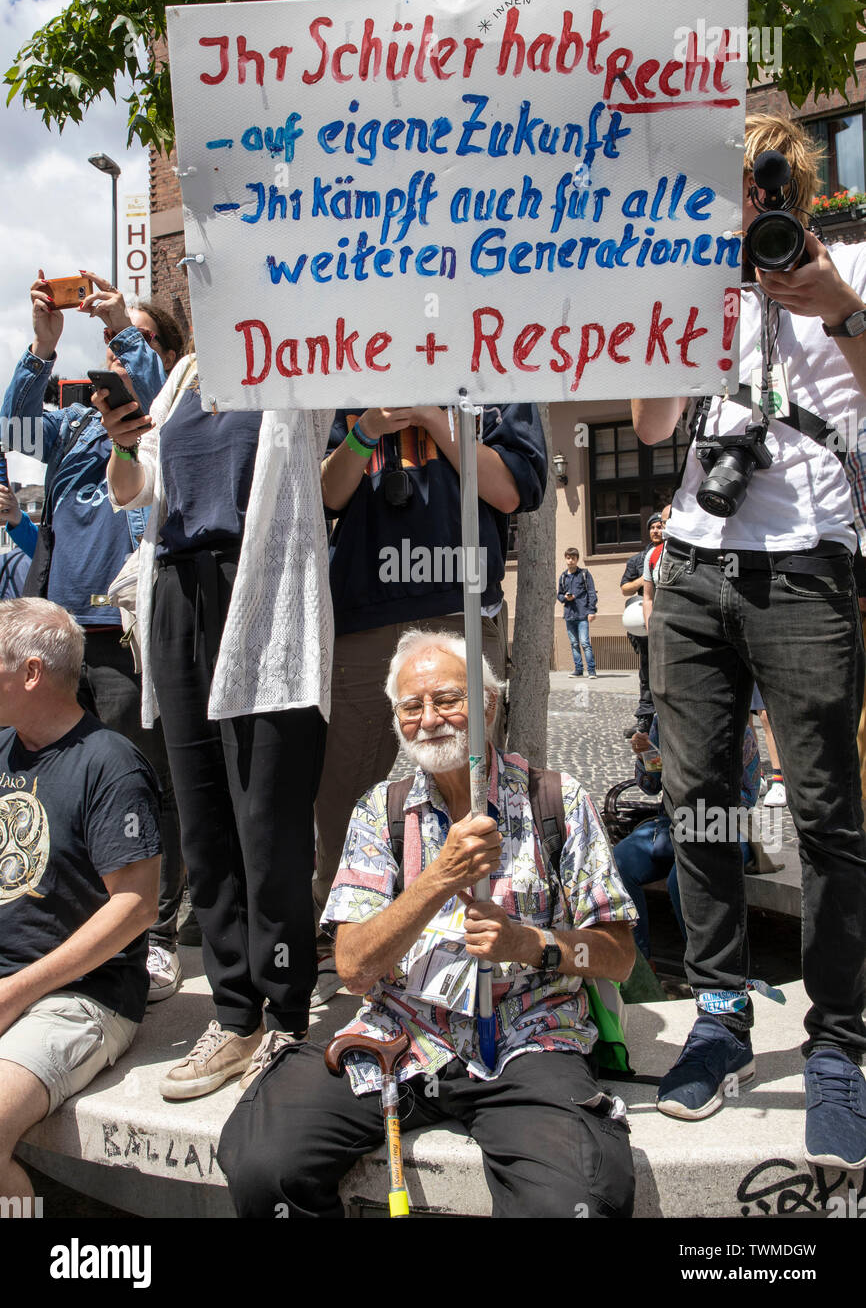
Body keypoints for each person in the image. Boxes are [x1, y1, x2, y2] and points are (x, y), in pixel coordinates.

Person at [217, 628, 637, 1219]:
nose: (430, 719)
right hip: (401, 1038)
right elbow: (354, 968)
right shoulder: (380, 812)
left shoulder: (555, 800)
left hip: (527, 1043)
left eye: (448, 699)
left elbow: (617, 957)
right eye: (411, 707)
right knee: (265, 1163)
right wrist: (439, 876)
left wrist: (532, 943)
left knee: (574, 1201)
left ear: (488, 704)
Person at [631, 112, 866, 1165]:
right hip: (689, 564)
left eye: (764, 192)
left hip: (807, 565)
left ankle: (838, 1041)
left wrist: (839, 312)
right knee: (698, 803)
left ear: (796, 199)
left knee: (824, 811)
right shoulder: (697, 287)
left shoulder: (843, 270)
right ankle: (717, 1014)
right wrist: (673, 300)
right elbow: (643, 429)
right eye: (730, 192)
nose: (749, 210)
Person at [94, 353, 332, 1099]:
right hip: (176, 590)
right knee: (202, 818)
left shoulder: (296, 350)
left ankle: (287, 1014)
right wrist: (124, 442)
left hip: (265, 588)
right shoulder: (183, 374)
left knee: (268, 821)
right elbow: (135, 494)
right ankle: (235, 1014)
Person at [312, 403, 547, 1001]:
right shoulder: (352, 371)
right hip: (365, 610)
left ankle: (489, 923)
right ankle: (348, 934)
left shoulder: (497, 368)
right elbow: (326, 496)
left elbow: (512, 492)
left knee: (475, 779)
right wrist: (367, 429)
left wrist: (432, 418)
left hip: (461, 599)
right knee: (340, 784)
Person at [3, 271, 184, 1005]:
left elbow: (148, 395)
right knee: (60, 777)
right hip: (63, 621)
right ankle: (70, 916)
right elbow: (15, 429)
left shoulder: (171, 407)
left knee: (141, 777)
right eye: (111, 345)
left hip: (131, 621)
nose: (116, 360)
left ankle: (158, 931)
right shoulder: (77, 422)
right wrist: (43, 348)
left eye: (135, 341)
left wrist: (120, 329)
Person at [0, 599, 161, 1213]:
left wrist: (15, 992)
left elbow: (137, 908)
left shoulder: (109, 763)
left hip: (79, 996)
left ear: (33, 672)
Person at [615, 715, 760, 967]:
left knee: (682, 878)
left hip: (724, 827)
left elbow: (748, 796)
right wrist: (645, 756)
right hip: (671, 825)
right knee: (619, 862)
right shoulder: (665, 720)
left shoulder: (735, 727)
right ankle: (638, 962)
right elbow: (651, 786)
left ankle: (706, 967)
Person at [620, 512, 664, 736]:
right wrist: (644, 577)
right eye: (653, 527)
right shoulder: (637, 560)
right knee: (646, 672)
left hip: (668, 619)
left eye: (660, 526)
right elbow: (625, 588)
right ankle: (645, 720)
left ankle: (667, 721)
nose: (656, 530)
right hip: (644, 624)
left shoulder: (671, 554)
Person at [557, 546, 598, 677]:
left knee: (585, 643)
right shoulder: (563, 576)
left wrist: (592, 611)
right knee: (574, 643)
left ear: (577, 559)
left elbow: (591, 592)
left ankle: (591, 671)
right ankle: (578, 670)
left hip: (582, 614)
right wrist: (565, 597)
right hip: (569, 615)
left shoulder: (584, 574)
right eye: (568, 558)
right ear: (565, 559)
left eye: (573, 558)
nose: (570, 561)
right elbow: (559, 595)